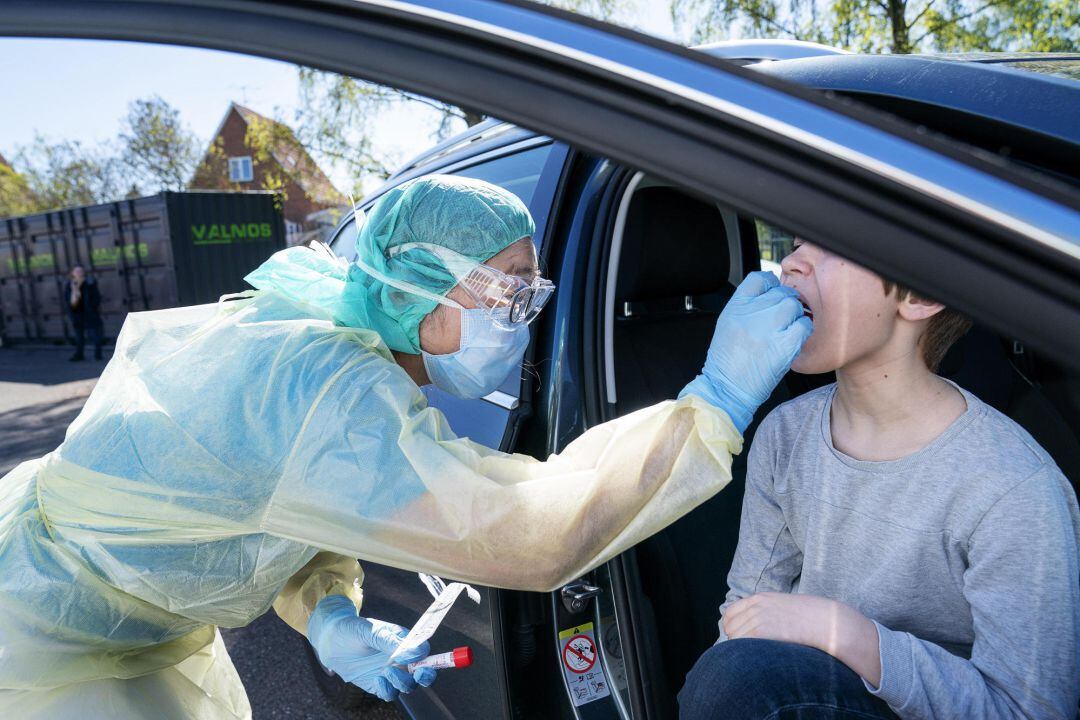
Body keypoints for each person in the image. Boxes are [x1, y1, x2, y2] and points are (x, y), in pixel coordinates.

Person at [0, 175, 811, 719]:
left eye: (533, 291)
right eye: (507, 290)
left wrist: (326, 612)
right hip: (48, 641)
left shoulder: (325, 337)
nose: (522, 316)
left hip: (109, 617)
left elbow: (254, 508)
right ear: (417, 281)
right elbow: (522, 531)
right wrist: (712, 407)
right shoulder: (330, 386)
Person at [678, 237, 1080, 720]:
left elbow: (1030, 711)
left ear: (920, 295)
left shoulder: (1013, 487)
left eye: (829, 244)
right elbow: (746, 612)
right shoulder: (784, 433)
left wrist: (848, 633)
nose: (791, 262)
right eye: (797, 240)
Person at [64, 265, 104, 361]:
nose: (78, 273)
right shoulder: (70, 285)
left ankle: (98, 355)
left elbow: (96, 297)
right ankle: (79, 355)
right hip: (76, 314)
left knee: (95, 335)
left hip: (89, 314)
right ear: (72, 273)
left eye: (80, 271)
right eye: (76, 271)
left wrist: (92, 309)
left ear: (83, 273)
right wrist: (71, 313)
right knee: (79, 336)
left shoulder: (90, 283)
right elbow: (67, 300)